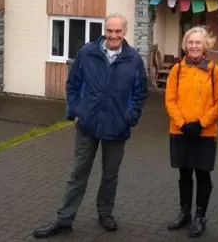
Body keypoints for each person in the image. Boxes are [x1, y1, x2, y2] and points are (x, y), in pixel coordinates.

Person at [33, 12, 148, 238]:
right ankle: (64, 219)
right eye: (110, 30)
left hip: (117, 126)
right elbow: (73, 84)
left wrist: (130, 116)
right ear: (104, 31)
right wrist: (75, 111)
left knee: (110, 174)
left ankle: (105, 212)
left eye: (118, 31)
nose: (113, 35)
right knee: (78, 173)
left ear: (124, 32)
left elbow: (140, 92)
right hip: (88, 124)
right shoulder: (87, 53)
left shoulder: (133, 59)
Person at [164, 26, 218, 238]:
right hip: (180, 131)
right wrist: (182, 124)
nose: (194, 46)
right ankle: (184, 213)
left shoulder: (214, 71)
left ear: (205, 45)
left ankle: (200, 216)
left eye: (198, 42)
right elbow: (170, 101)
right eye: (190, 42)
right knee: (184, 173)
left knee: (203, 174)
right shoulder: (177, 70)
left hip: (205, 133)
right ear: (185, 45)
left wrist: (201, 123)